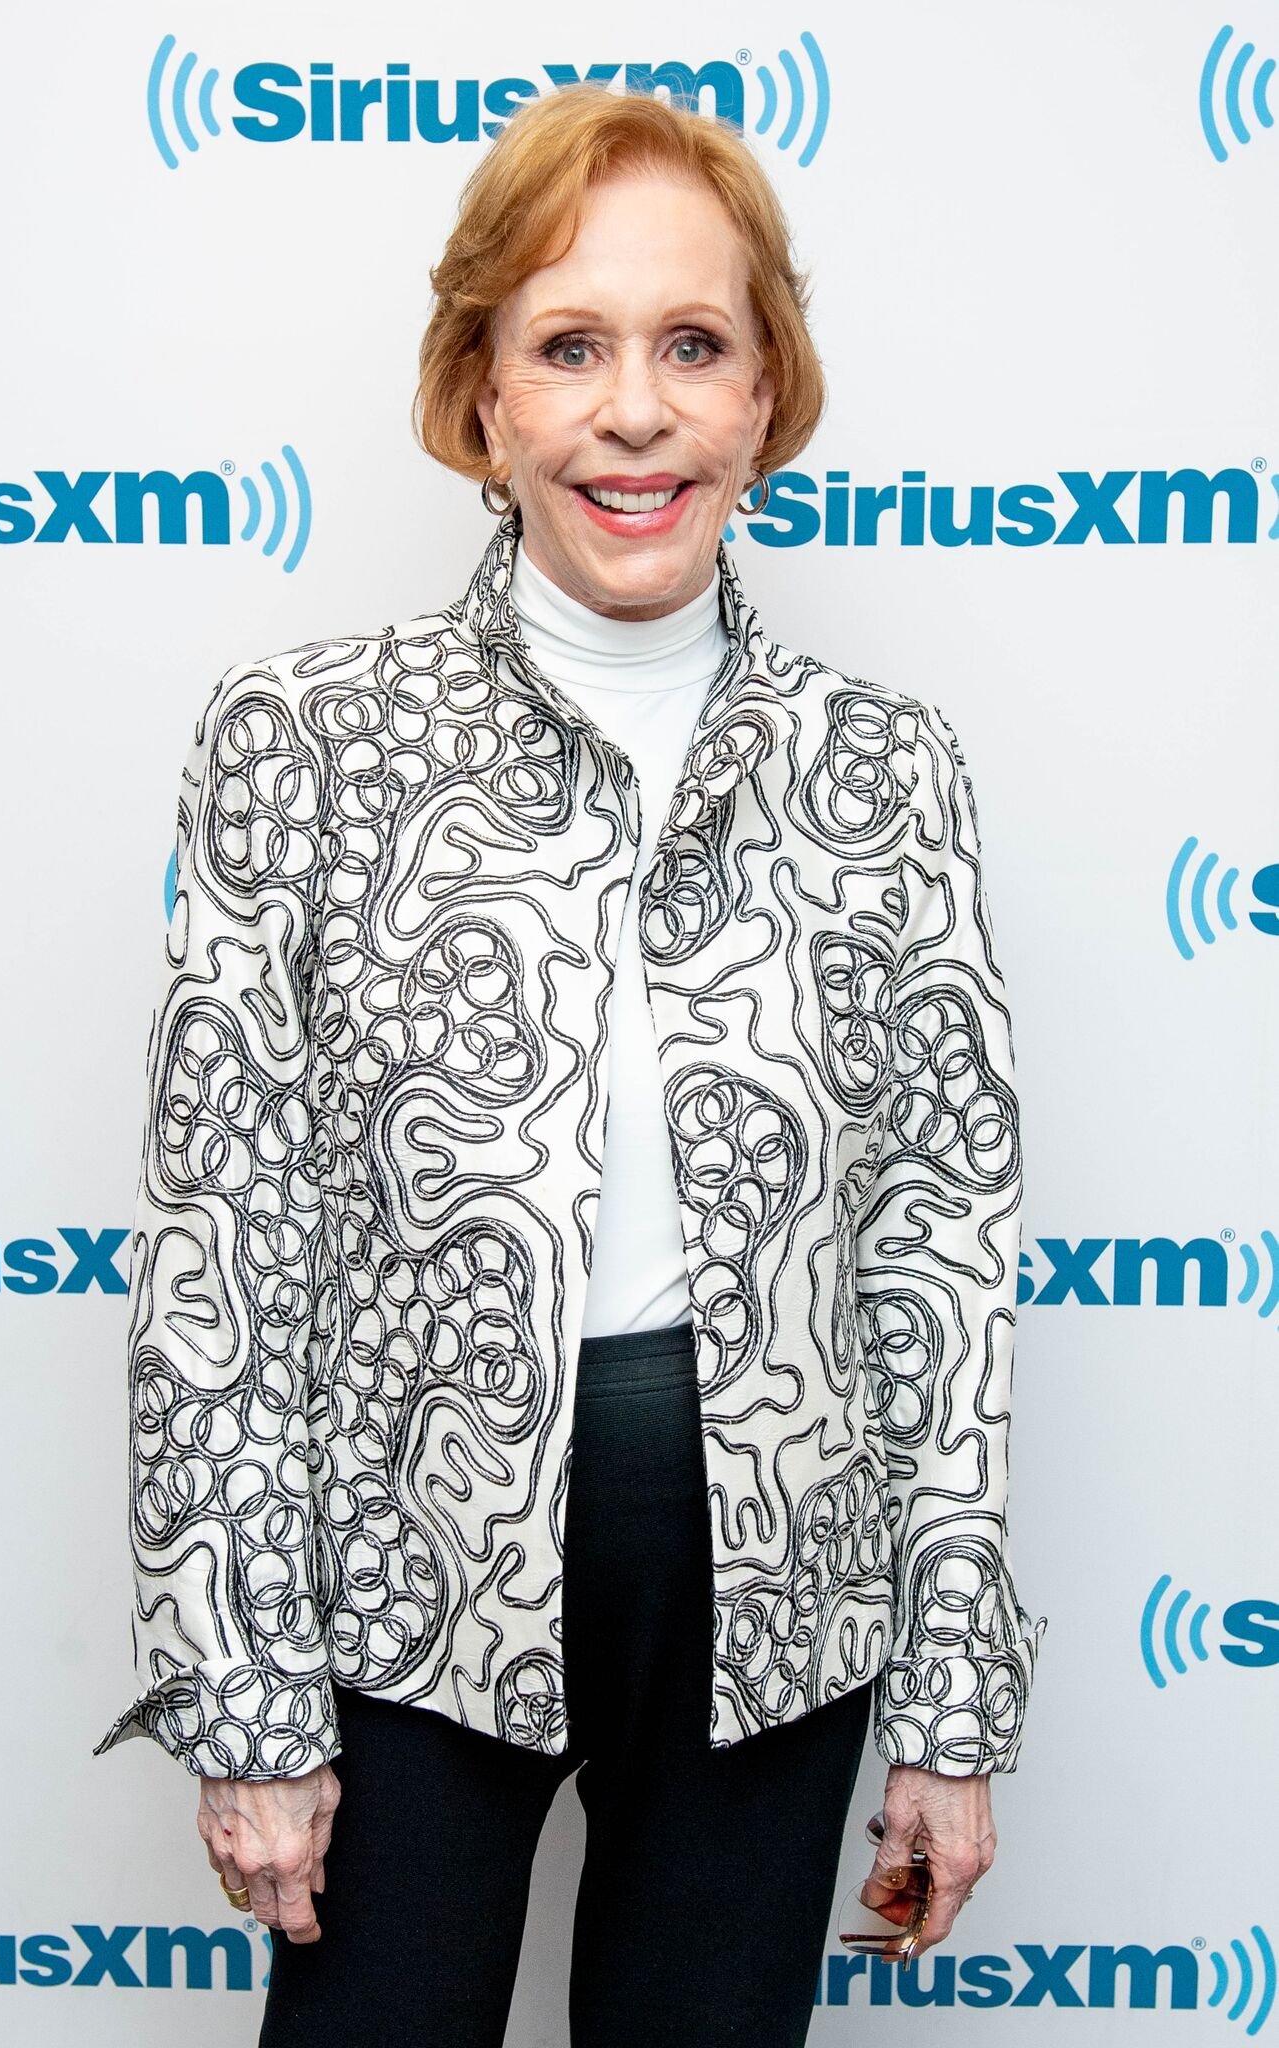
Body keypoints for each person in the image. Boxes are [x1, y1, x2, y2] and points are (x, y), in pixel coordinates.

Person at [93, 81, 1046, 2048]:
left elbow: (939, 1257)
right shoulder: (304, 739)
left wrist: (949, 1703)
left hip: (773, 1594)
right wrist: (250, 1697)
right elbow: (221, 1260)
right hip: (400, 1590)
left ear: (766, 392)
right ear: (484, 395)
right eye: (569, 346)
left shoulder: (886, 772)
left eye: (692, 346)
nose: (633, 410)